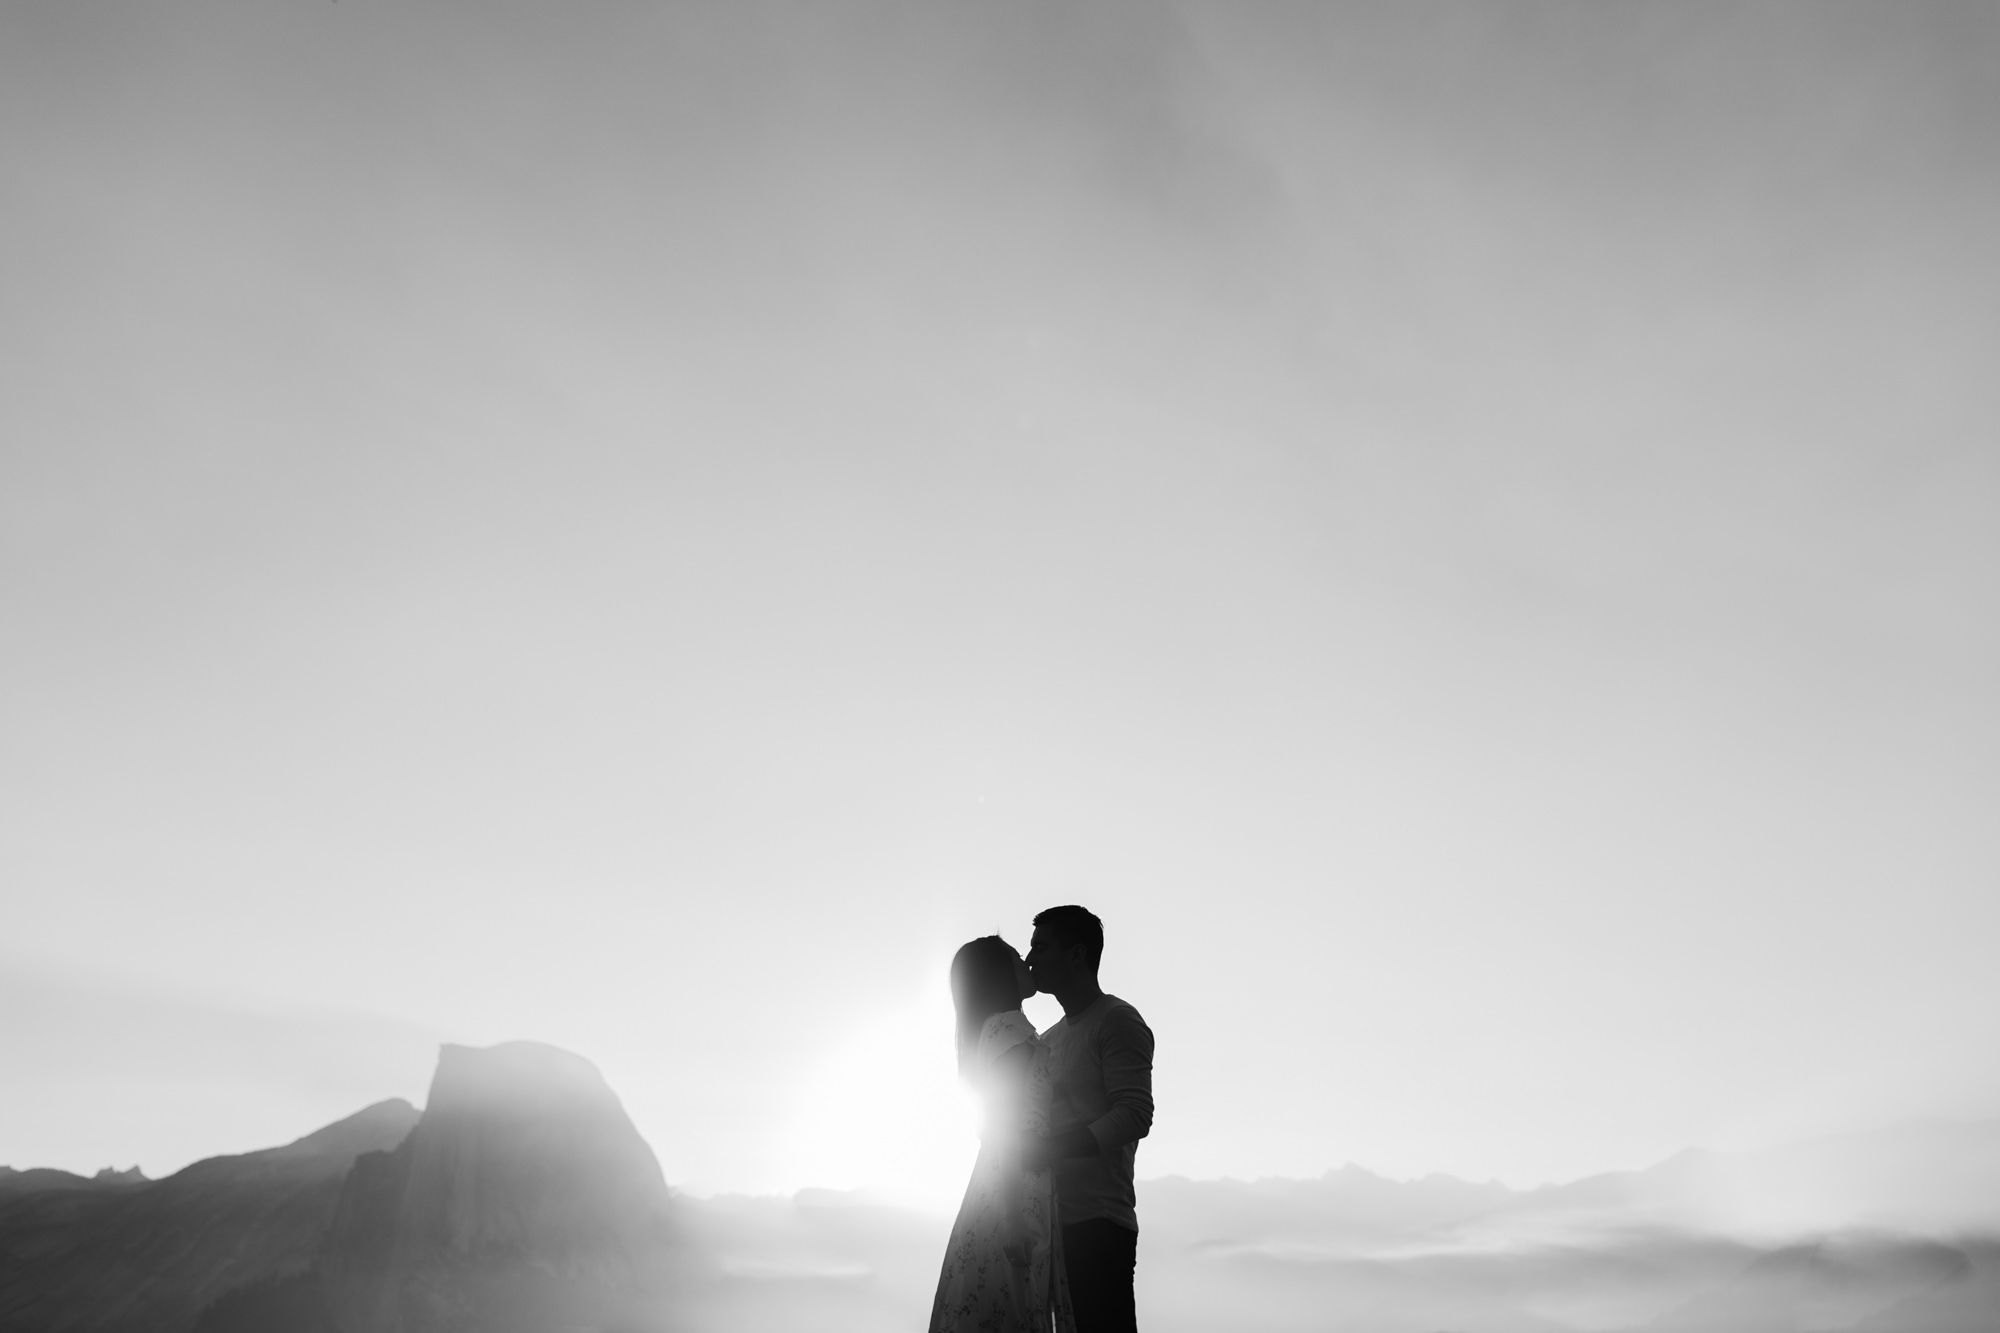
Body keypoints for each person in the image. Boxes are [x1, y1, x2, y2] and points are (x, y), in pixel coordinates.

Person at [928, 936, 1077, 1333]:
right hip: (1017, 1183)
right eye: (1016, 958)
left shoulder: (997, 1030)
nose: (1027, 962)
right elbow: (1006, 1118)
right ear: (999, 976)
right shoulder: (1008, 1027)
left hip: (1010, 1177)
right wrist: (1013, 1214)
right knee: (1017, 1304)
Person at [1023, 906, 1154, 1333]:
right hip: (1050, 1224)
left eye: (1041, 948)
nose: (1030, 959)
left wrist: (1053, 1148)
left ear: (1077, 954)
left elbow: (1134, 1114)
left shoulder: (1116, 1020)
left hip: (1099, 1224)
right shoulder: (1048, 1039)